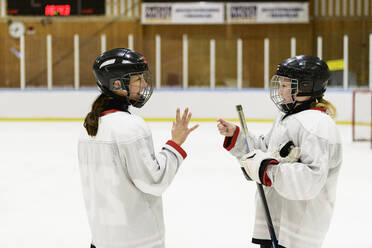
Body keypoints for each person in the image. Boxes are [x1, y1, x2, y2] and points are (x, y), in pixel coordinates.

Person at [217, 55, 342, 248]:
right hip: (277, 223)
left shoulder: (317, 126)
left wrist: (267, 170)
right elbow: (266, 150)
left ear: (306, 86)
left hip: (299, 230)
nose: (280, 91)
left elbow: (311, 179)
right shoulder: (287, 117)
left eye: (285, 86)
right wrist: (238, 137)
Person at [78, 48, 198, 248]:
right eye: (137, 79)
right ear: (116, 84)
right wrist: (175, 144)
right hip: (137, 242)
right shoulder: (130, 127)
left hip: (101, 240)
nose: (144, 84)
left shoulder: (88, 129)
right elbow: (154, 181)